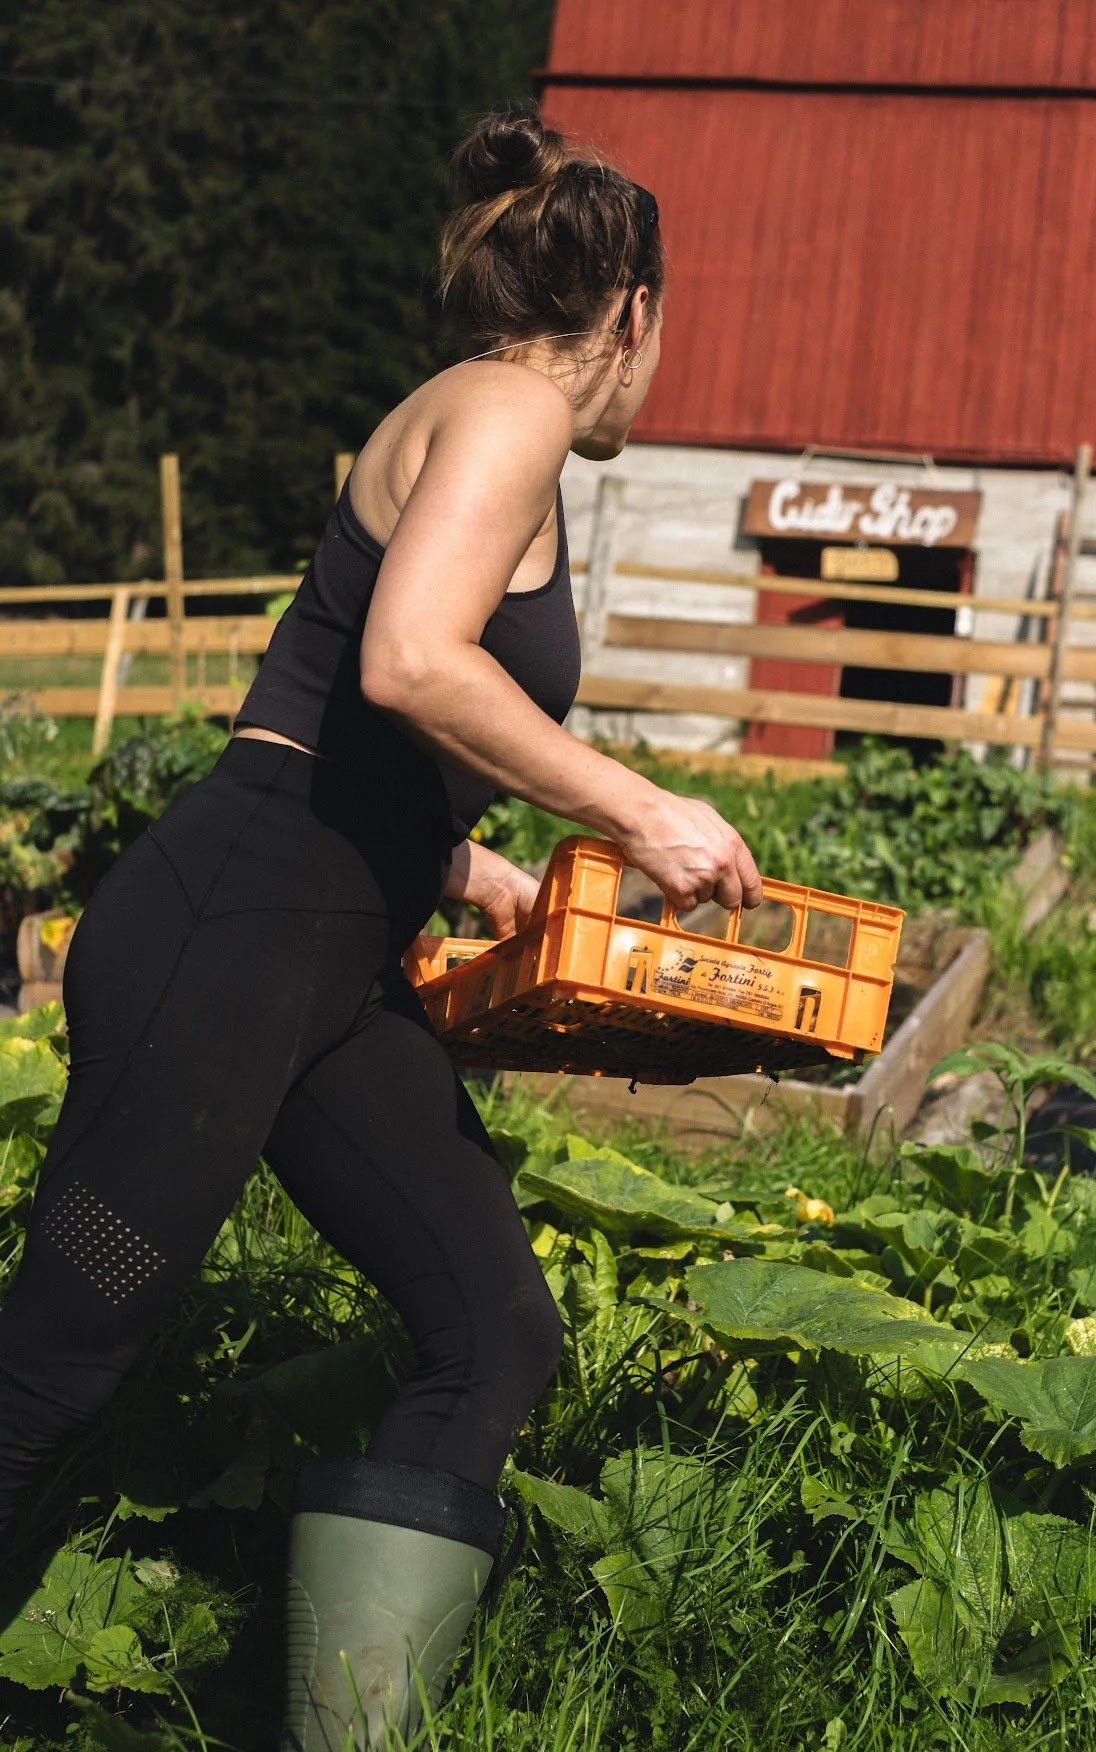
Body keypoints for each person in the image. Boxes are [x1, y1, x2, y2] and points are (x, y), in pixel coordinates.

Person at [0, 108, 762, 1747]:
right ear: (631, 309)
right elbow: (411, 659)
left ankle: (327, 1731)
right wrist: (635, 810)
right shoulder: (507, 409)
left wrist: (454, 864)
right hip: (227, 943)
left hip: (320, 963)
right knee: (55, 1369)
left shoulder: (485, 413)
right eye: (667, 326)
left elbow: (352, 705)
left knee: (493, 1333)